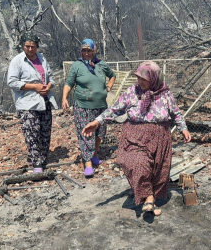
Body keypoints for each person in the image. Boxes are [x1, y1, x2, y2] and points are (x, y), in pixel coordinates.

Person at [82, 61, 191, 215]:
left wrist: (183, 129)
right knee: (137, 163)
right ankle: (149, 197)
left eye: (143, 79)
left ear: (154, 79)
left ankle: (150, 198)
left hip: (160, 136)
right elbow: (114, 109)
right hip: (134, 135)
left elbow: (176, 113)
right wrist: (97, 121)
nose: (139, 82)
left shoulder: (165, 93)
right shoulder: (132, 92)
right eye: (138, 78)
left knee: (158, 171)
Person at [62, 39, 116, 177]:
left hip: (101, 106)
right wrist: (64, 98)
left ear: (94, 50)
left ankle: (94, 154)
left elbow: (112, 76)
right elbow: (69, 83)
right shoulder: (77, 66)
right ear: (81, 51)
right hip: (83, 106)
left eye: (89, 50)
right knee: (86, 133)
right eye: (84, 50)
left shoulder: (101, 65)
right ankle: (87, 163)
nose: (87, 53)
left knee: (100, 133)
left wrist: (109, 86)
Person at [7, 31, 59, 173]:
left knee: (45, 131)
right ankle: (37, 163)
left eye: (33, 46)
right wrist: (34, 86)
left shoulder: (42, 58)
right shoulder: (17, 61)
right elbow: (11, 82)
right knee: (32, 132)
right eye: (27, 46)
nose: (30, 49)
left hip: (45, 100)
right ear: (23, 46)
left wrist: (48, 86)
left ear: (37, 46)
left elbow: (51, 78)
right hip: (27, 103)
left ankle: (42, 157)